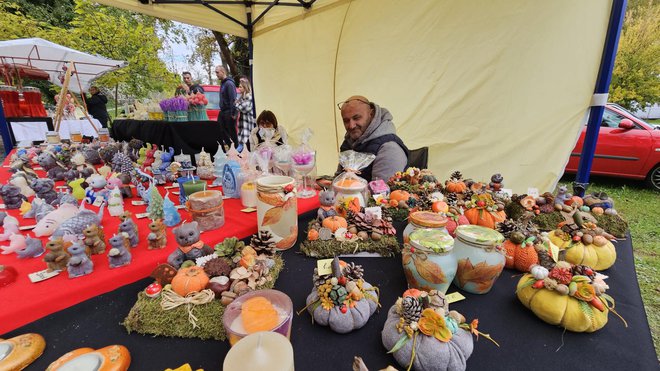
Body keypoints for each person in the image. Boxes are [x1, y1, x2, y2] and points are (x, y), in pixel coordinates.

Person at [337, 95, 409, 182]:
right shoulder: (349, 142)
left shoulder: (389, 148)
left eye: (356, 118)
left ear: (371, 114)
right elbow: (338, 178)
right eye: (346, 120)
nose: (351, 126)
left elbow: (382, 193)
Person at [215, 66, 238, 150]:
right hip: (222, 111)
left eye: (217, 72)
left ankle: (236, 149)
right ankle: (230, 147)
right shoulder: (223, 83)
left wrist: (233, 113)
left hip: (229, 111)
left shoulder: (229, 83)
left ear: (223, 72)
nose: (216, 74)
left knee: (232, 132)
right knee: (219, 129)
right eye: (215, 72)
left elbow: (233, 99)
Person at [235, 77, 256, 152]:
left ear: (245, 87)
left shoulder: (249, 97)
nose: (239, 88)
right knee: (243, 140)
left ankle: (237, 153)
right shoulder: (243, 97)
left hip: (247, 123)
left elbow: (244, 108)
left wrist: (236, 104)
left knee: (245, 141)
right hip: (244, 123)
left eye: (240, 87)